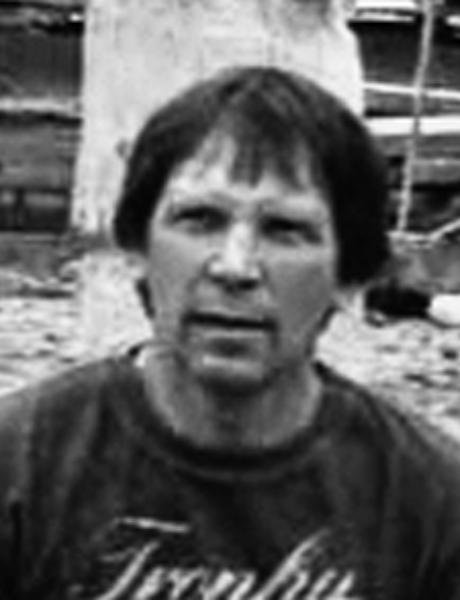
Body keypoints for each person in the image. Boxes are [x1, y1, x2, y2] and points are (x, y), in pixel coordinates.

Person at [1, 66, 460, 600]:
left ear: (349, 276)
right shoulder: (22, 467)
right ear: (137, 250)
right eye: (200, 220)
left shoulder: (428, 503)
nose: (235, 266)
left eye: (284, 230)